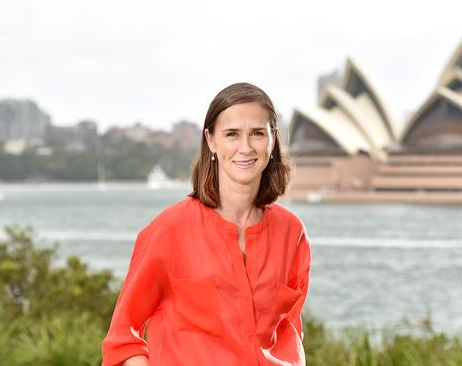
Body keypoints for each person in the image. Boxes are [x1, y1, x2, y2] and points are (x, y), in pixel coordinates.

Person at [101, 82, 311, 366]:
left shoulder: (292, 232)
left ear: (273, 139)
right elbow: (123, 339)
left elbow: (291, 331)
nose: (245, 147)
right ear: (211, 140)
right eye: (232, 134)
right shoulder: (170, 229)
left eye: (258, 133)